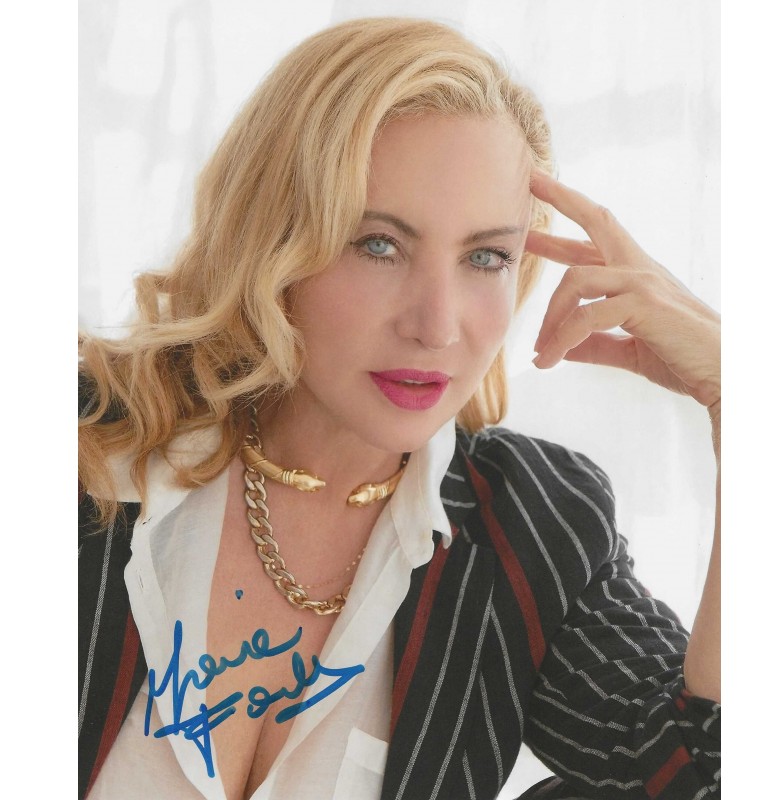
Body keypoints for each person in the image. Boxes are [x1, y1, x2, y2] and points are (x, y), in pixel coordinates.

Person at [78, 16, 721, 800]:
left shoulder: (529, 528)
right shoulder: (80, 446)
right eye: (378, 244)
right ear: (273, 237)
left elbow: (704, 772)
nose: (437, 325)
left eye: (485, 256)